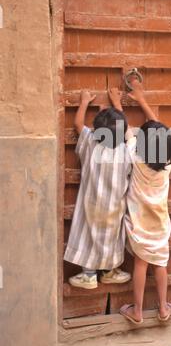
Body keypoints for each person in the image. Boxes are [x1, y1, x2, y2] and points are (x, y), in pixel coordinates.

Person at [120, 79, 171, 323]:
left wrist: (117, 104)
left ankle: (138, 311)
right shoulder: (167, 165)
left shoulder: (135, 156)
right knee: (161, 265)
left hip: (140, 223)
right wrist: (142, 100)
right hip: (160, 224)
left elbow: (125, 131)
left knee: (141, 265)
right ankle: (163, 309)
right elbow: (158, 131)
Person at [64, 88, 131, 289]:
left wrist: (84, 101)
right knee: (111, 237)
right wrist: (117, 102)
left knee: (88, 235)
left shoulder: (91, 143)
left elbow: (77, 124)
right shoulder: (126, 150)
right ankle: (109, 272)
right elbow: (127, 132)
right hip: (115, 207)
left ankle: (88, 275)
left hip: (91, 206)